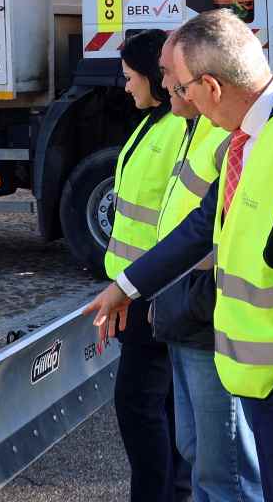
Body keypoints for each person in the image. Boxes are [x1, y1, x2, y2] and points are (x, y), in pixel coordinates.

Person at [85, 9, 273, 502]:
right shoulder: (245, 138)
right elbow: (202, 226)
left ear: (210, 85)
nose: (177, 97)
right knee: (218, 474)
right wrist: (126, 288)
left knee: (238, 484)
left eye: (180, 86)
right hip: (245, 355)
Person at [152, 33, 264, 502]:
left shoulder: (236, 132)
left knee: (226, 472)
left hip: (211, 316)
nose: (168, 89)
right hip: (184, 306)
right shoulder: (196, 126)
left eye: (174, 80)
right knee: (200, 454)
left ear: (208, 84)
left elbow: (211, 230)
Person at [108, 29, 191, 502]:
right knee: (160, 406)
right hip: (138, 287)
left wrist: (133, 287)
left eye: (131, 77)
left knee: (140, 407)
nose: (127, 86)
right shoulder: (155, 124)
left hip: (149, 292)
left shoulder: (174, 128)